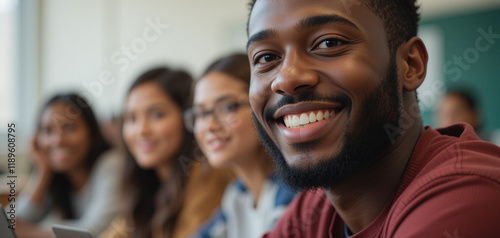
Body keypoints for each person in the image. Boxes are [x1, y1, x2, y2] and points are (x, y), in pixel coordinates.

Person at [245, 0, 500, 237]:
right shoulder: (316, 207)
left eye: (329, 42)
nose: (287, 78)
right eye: (266, 57)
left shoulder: (469, 194)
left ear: (410, 65)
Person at [100, 67, 233, 238]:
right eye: (131, 118)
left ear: (189, 118)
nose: (141, 130)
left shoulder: (207, 173)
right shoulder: (147, 183)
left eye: (156, 115)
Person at [185, 54, 296, 238]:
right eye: (201, 114)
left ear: (263, 105)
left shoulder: (293, 190)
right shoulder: (238, 196)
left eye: (227, 108)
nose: (210, 125)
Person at [17, 93, 121, 237]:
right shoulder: (57, 178)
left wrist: (28, 233)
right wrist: (43, 171)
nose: (58, 141)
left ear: (91, 132)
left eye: (70, 128)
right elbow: (11, 221)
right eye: (48, 131)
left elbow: (90, 232)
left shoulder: (112, 164)